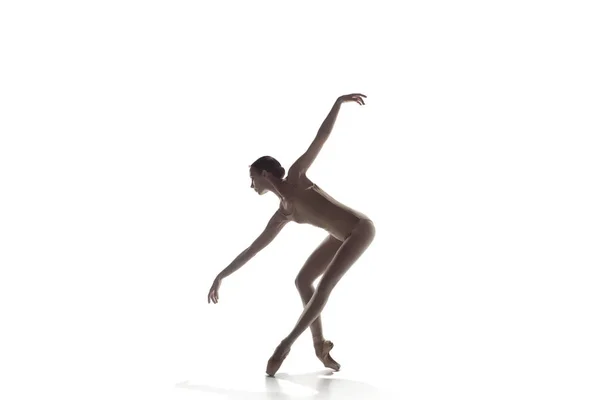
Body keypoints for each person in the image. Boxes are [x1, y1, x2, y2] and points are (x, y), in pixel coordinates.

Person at [207, 93, 376, 377]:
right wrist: (221, 275)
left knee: (323, 287)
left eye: (252, 179)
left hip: (360, 229)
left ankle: (285, 345)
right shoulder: (282, 215)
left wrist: (337, 103)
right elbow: (252, 250)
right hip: (339, 236)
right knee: (303, 280)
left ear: (263, 174)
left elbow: (320, 139)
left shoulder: (297, 176)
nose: (251, 186)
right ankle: (320, 344)